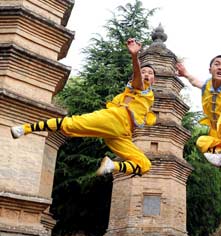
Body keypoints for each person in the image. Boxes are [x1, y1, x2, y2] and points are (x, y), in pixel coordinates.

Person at [10, 38, 156, 177]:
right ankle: (25, 128)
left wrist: (180, 75)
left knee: (145, 165)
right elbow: (137, 78)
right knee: (71, 123)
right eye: (144, 72)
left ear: (154, 79)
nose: (146, 74)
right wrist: (135, 56)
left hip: (123, 133)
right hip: (115, 119)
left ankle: (112, 165)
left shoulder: (149, 96)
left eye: (150, 73)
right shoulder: (138, 87)